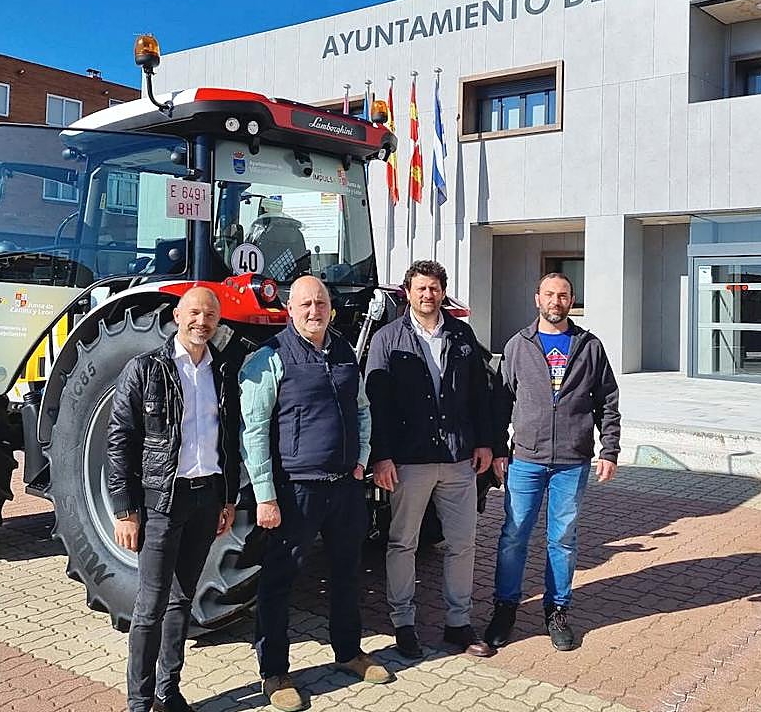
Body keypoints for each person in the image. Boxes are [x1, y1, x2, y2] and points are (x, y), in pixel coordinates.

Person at [240, 275, 392, 712]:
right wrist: (266, 496)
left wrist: (361, 458)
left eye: (320, 303)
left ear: (331, 308)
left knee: (347, 574)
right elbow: (253, 432)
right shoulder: (269, 358)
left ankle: (348, 653)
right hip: (295, 490)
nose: (314, 310)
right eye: (305, 303)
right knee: (279, 580)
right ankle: (274, 672)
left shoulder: (344, 351)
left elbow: (362, 408)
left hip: (343, 488)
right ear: (289, 309)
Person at [107, 286, 241, 712]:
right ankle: (139, 701)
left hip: (207, 497)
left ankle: (169, 690)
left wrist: (228, 499)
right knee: (151, 604)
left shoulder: (221, 372)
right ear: (177, 315)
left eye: (211, 315)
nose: (202, 322)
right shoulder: (146, 369)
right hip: (163, 501)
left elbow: (230, 441)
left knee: (183, 599)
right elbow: (120, 442)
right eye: (195, 313)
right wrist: (125, 510)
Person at [483, 272, 621, 653]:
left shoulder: (588, 346)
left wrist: (609, 450)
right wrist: (498, 448)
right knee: (514, 536)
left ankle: (557, 610)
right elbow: (500, 401)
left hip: (572, 461)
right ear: (536, 299)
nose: (555, 301)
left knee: (562, 539)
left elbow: (608, 401)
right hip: (526, 458)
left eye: (563, 295)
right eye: (549, 294)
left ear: (571, 301)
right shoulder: (519, 345)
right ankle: (505, 607)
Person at [366, 260, 496, 659]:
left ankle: (459, 622)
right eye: (420, 288)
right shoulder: (387, 339)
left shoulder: (461, 335)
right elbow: (375, 403)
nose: (428, 295)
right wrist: (381, 456)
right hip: (409, 460)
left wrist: (486, 442)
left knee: (462, 543)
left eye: (434, 288)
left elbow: (481, 395)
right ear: (407, 292)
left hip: (458, 459)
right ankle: (403, 623)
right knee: (402, 543)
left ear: (443, 291)